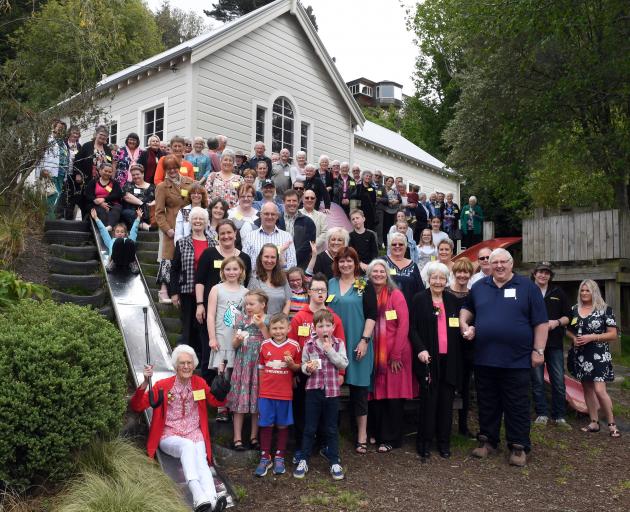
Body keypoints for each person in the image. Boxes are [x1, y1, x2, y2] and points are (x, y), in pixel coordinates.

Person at [459, 248, 548, 467]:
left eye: (503, 262)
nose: (498, 266)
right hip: (484, 357)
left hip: (516, 359)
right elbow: (466, 309)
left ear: (511, 263)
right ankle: (487, 440)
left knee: (517, 403)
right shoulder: (480, 287)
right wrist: (464, 324)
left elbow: (541, 322)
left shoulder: (528, 287)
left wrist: (539, 350)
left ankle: (518, 445)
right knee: (487, 401)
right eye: (494, 261)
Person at [130, 345, 228, 512]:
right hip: (170, 434)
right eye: (182, 363)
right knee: (187, 446)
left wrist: (221, 384)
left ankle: (211, 501)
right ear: (175, 366)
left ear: (194, 365)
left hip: (194, 432)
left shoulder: (199, 383)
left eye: (189, 363)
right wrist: (146, 381)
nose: (186, 366)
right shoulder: (162, 385)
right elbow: (138, 406)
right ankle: (198, 495)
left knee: (202, 461)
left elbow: (217, 402)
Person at [288, 274, 346, 464]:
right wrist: (295, 371)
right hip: (305, 372)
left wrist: (341, 373)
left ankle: (325, 446)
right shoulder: (299, 317)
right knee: (303, 411)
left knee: (327, 414)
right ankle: (301, 448)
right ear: (309, 292)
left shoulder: (334, 318)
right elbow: (293, 345)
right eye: (316, 290)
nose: (320, 293)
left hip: (329, 373)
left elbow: (340, 345)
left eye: (323, 290)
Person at [410, 262, 464, 459]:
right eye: (435, 278)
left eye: (442, 278)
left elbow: (457, 327)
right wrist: (421, 349)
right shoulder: (419, 299)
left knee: (446, 403)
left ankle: (444, 443)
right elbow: (412, 329)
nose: (438, 282)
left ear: (446, 280)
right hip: (428, 359)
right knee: (429, 402)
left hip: (449, 360)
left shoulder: (452, 300)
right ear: (428, 279)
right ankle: (424, 442)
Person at [328, 247, 377, 454]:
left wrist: (365, 340)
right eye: (341, 261)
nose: (345, 264)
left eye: (349, 261)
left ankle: (362, 435)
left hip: (357, 343)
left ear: (356, 263)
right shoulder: (330, 284)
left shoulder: (364, 284)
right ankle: (330, 434)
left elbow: (372, 314)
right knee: (330, 390)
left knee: (359, 391)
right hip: (333, 346)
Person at [293, 309, 348, 481]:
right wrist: (306, 369)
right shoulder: (309, 345)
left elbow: (343, 364)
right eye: (320, 326)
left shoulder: (338, 344)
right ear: (314, 328)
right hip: (313, 391)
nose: (324, 329)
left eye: (328, 325)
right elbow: (303, 365)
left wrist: (330, 350)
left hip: (332, 392)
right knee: (310, 427)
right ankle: (304, 459)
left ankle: (334, 460)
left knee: (331, 428)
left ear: (333, 327)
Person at [366, 259, 415, 452]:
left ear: (387, 274)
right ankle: (376, 433)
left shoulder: (396, 295)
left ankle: (391, 438)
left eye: (381, 271)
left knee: (393, 398)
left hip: (397, 353)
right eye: (374, 272)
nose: (378, 274)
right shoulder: (367, 295)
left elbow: (404, 326)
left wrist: (396, 354)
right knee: (377, 396)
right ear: (369, 275)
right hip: (375, 354)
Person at [195, 220, 252, 385]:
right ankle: (211, 395)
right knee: (210, 355)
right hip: (213, 313)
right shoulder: (209, 253)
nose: (226, 236)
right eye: (222, 233)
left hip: (235, 325)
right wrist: (200, 304)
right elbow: (199, 280)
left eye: (229, 232)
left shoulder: (245, 258)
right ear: (218, 236)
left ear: (235, 234)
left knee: (233, 365)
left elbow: (244, 287)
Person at [567, 280, 621, 438]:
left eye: (587, 291)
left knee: (599, 390)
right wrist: (573, 338)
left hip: (598, 355)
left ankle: (611, 424)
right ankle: (594, 422)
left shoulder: (605, 310)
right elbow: (568, 330)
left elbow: (613, 334)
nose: (584, 293)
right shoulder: (574, 310)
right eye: (582, 290)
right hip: (581, 355)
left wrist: (593, 337)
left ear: (594, 292)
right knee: (587, 389)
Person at [255, 313, 301, 477]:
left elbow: (298, 368)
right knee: (266, 424)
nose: (278, 331)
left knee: (282, 424)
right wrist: (261, 389)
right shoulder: (265, 345)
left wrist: (292, 365)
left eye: (282, 327)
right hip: (266, 393)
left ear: (288, 328)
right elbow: (261, 367)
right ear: (270, 329)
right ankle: (265, 456)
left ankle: (280, 455)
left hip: (284, 393)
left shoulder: (294, 346)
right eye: (274, 328)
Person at [530, 262, 572, 428]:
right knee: (537, 380)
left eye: (546, 273)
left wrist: (556, 322)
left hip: (554, 343)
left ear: (550, 275)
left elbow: (569, 315)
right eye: (540, 272)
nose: (543, 275)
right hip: (533, 343)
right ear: (534, 273)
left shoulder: (558, 292)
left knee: (558, 380)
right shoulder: (527, 290)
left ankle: (559, 415)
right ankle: (541, 413)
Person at [206, 256, 248, 422]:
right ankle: (221, 407)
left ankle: (233, 405)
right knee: (222, 372)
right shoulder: (217, 289)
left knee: (234, 373)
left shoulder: (245, 292)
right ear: (222, 271)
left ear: (241, 271)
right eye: (228, 269)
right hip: (221, 337)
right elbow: (210, 315)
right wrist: (212, 338)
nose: (231, 272)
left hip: (237, 338)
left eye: (235, 269)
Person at [227, 289, 270, 451]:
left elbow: (270, 343)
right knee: (239, 401)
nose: (248, 307)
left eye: (252, 304)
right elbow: (234, 344)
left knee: (256, 402)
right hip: (243, 365)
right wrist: (237, 341)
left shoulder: (268, 320)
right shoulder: (242, 320)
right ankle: (237, 438)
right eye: (246, 304)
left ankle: (253, 436)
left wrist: (261, 326)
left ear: (263, 304)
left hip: (259, 367)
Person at [170, 207, 214, 357]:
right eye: (195, 218)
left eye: (201, 219)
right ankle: (186, 358)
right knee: (188, 326)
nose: (198, 221)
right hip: (187, 291)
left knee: (203, 327)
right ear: (190, 221)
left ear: (206, 222)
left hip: (207, 293)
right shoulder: (182, 243)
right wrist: (174, 292)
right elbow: (174, 269)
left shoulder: (213, 243)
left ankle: (203, 358)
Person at [155, 155, 194, 304]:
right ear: (165, 170)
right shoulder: (162, 187)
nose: (172, 171)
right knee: (168, 257)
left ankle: (183, 289)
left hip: (188, 224)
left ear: (179, 168)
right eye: (168, 169)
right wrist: (167, 229)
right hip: (171, 225)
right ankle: (164, 290)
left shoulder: (189, 182)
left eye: (174, 168)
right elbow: (159, 212)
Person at [446, 257, 475, 438]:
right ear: (454, 273)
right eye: (459, 272)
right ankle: (445, 424)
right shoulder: (446, 293)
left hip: (467, 344)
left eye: (466, 272)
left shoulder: (473, 294)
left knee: (465, 385)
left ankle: (463, 425)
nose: (462, 275)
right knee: (449, 385)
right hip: (448, 345)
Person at [243, 202, 296, 272]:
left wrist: (282, 269)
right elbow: (244, 263)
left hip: (280, 280)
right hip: (256, 280)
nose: (270, 217)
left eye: (273, 214)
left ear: (277, 216)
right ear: (261, 215)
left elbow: (292, 265)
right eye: (266, 214)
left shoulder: (287, 237)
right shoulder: (250, 236)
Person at [91, 207, 141, 273]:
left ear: (125, 233)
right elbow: (103, 231)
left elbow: (134, 230)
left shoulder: (128, 239)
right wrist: (96, 218)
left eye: (122, 232)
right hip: (116, 259)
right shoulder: (111, 241)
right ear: (114, 233)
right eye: (117, 232)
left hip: (128, 260)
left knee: (130, 241)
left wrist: (139, 218)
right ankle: (112, 263)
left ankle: (132, 263)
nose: (120, 233)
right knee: (119, 241)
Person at [247, 244, 291, 316]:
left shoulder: (282, 277)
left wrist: (281, 320)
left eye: (273, 257)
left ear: (277, 259)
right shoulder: (255, 278)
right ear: (261, 257)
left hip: (279, 324)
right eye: (266, 257)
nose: (269, 260)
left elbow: (288, 302)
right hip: (260, 323)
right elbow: (250, 304)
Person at [385, 230, 424, 308]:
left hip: (408, 308)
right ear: (389, 246)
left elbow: (420, 290)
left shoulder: (413, 265)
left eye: (401, 244)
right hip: (387, 307)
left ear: (406, 246)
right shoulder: (382, 262)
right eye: (394, 244)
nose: (397, 246)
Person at [281, 189, 316, 269]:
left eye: (294, 201)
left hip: (300, 266)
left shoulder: (308, 222)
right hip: (279, 264)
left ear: (299, 201)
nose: (291, 203)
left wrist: (292, 258)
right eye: (288, 201)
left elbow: (309, 245)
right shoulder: (277, 220)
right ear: (283, 202)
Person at [84, 161, 123, 229]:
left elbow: (118, 194)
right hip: (96, 204)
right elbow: (88, 194)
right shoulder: (93, 182)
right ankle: (104, 228)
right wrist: (98, 202)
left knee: (116, 210)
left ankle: (109, 227)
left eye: (110, 172)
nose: (107, 173)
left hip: (112, 204)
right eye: (105, 171)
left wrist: (104, 199)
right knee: (101, 211)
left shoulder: (114, 183)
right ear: (100, 171)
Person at [121, 164, 154, 231]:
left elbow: (157, 199)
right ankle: (147, 227)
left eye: (137, 174)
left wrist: (151, 205)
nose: (135, 176)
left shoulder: (152, 187)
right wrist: (141, 203)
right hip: (132, 213)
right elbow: (126, 196)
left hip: (148, 213)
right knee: (126, 213)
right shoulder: (128, 185)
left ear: (143, 174)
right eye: (133, 175)